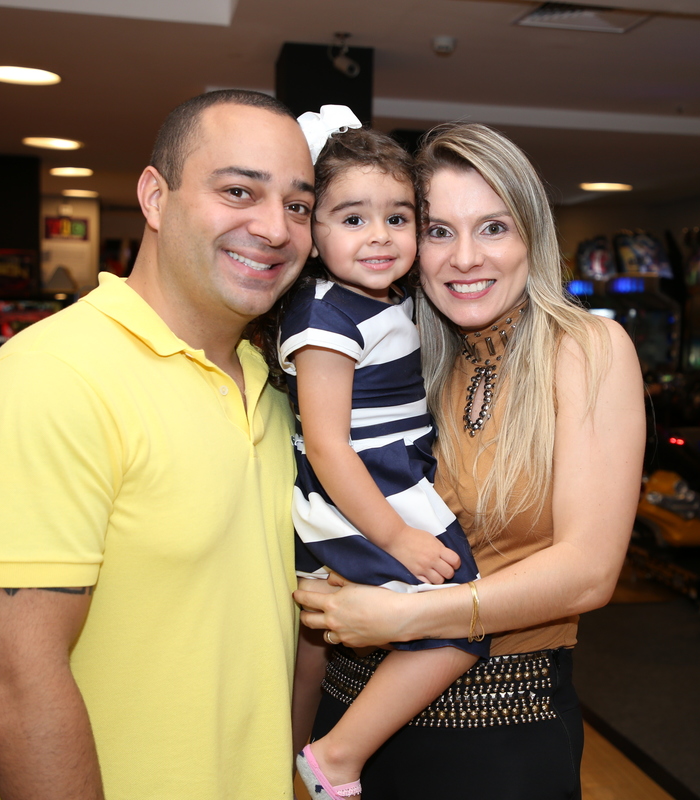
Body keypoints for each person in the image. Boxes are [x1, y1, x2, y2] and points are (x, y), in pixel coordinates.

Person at [0, 90, 316, 800]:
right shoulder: (51, 378)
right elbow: (11, 681)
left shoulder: (275, 384)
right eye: (238, 191)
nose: (274, 228)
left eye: (298, 206)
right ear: (154, 196)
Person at [293, 122, 646, 799]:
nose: (464, 258)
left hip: (498, 736)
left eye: (493, 228)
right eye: (438, 231)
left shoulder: (586, 349)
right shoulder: (399, 350)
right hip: (343, 714)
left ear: (532, 236)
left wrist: (406, 618)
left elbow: (589, 573)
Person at [264, 122, 488, 799]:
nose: (380, 236)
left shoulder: (378, 301)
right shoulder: (325, 319)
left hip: (375, 485)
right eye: (352, 218)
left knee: (314, 649)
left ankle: (286, 766)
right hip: (368, 496)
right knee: (459, 619)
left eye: (398, 217)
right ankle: (338, 757)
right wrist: (396, 537)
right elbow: (327, 444)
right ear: (313, 233)